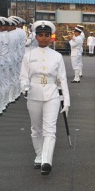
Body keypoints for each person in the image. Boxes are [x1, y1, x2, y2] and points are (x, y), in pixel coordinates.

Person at [19, 20, 70, 176]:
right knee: (36, 129)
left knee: (50, 129)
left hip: (52, 94)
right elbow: (23, 76)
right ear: (36, 36)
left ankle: (47, 161)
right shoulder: (29, 55)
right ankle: (39, 155)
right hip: (34, 94)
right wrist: (24, 87)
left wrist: (66, 100)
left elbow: (62, 79)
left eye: (47, 35)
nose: (43, 38)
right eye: (40, 35)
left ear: (50, 36)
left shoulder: (56, 56)